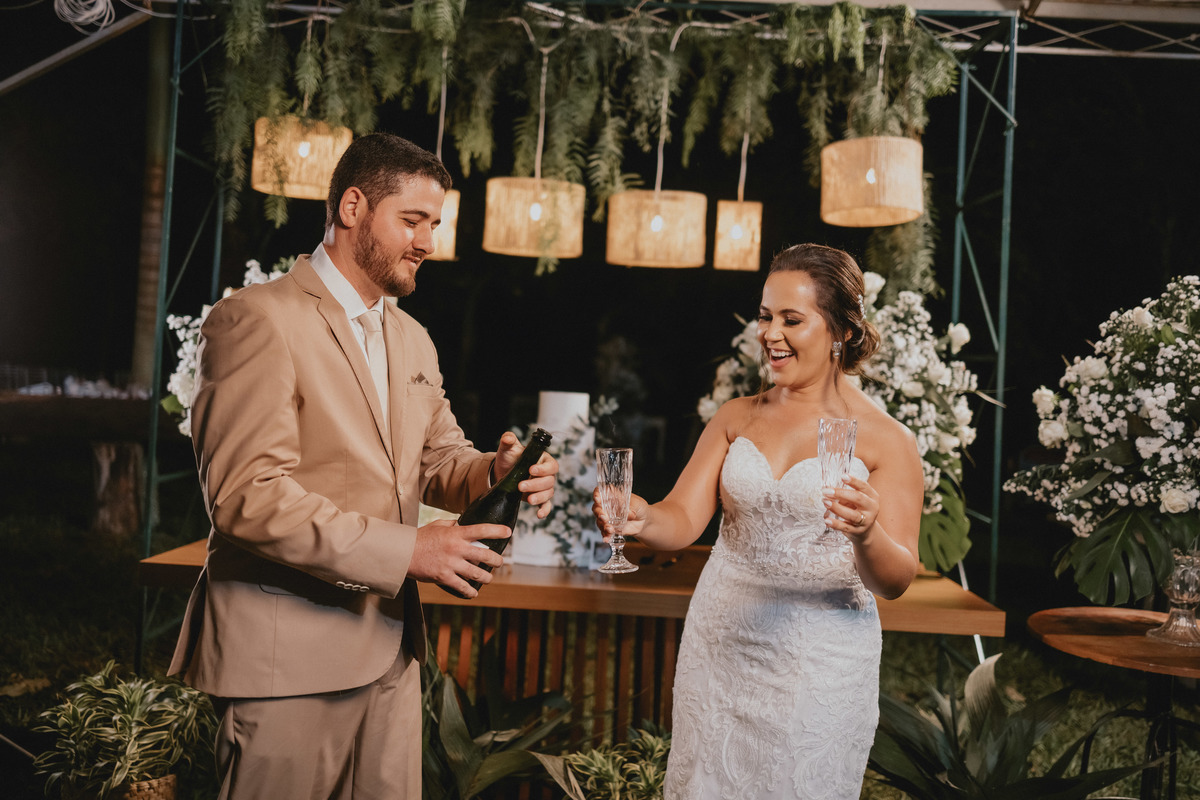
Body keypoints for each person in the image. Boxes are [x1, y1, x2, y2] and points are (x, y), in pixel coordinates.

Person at [169, 132, 558, 799]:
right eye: (412, 220)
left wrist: (496, 472)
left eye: (434, 225)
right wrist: (410, 550)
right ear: (353, 207)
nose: (428, 242)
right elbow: (246, 498)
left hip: (390, 659)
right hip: (285, 665)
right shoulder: (255, 319)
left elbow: (438, 458)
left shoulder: (412, 337)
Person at [594, 243, 923, 800]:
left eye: (792, 320)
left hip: (819, 661)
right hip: (720, 644)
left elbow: (895, 580)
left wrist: (868, 533)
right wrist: (640, 517)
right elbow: (683, 518)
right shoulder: (736, 416)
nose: (770, 333)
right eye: (766, 316)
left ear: (841, 330)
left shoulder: (888, 440)